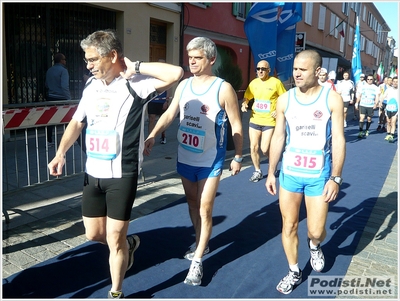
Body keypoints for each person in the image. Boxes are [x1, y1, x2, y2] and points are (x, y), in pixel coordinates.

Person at [47, 30, 183, 299]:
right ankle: (130, 243)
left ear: (112, 56)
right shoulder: (90, 85)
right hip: (93, 173)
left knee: (114, 238)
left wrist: (137, 66)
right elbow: (77, 121)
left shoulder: (136, 83)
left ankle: (116, 291)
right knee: (93, 234)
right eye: (87, 60)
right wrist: (60, 152)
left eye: (93, 59)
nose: (88, 65)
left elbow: (176, 73)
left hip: (123, 172)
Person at [144, 36, 243, 286]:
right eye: (190, 57)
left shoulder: (223, 88)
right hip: (187, 155)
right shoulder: (184, 86)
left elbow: (236, 123)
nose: (192, 62)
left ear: (211, 59)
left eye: (197, 58)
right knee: (191, 202)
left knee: (205, 207)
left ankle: (197, 262)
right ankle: (203, 241)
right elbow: (169, 113)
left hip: (212, 159)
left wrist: (239, 156)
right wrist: (153, 134)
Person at [265, 49, 346, 295]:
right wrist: (271, 172)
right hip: (290, 173)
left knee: (315, 230)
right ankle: (293, 270)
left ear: (316, 71)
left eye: (303, 69)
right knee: (288, 225)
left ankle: (314, 245)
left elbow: (339, 141)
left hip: (318, 176)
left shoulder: (331, 99)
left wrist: (335, 177)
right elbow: (279, 136)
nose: (297, 73)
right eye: (295, 69)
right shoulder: (285, 99)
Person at [241, 60, 286, 182]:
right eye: (258, 68)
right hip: (255, 119)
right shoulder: (253, 83)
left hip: (269, 121)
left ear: (269, 70)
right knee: (253, 147)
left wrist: (278, 110)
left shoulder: (276, 83)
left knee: (264, 148)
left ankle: (273, 163)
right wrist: (244, 104)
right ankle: (257, 171)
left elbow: (284, 98)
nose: (260, 71)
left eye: (263, 69)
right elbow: (247, 97)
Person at [45, 53, 71, 147]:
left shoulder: (49, 70)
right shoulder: (63, 71)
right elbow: (64, 86)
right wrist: (69, 98)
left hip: (50, 97)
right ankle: (67, 140)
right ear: (61, 60)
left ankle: (49, 141)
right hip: (61, 98)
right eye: (64, 59)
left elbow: (47, 84)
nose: (65, 61)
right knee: (67, 119)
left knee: (50, 120)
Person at [147, 59, 170, 144]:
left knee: (162, 120)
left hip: (162, 101)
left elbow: (169, 89)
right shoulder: (152, 75)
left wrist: (166, 101)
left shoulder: (167, 76)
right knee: (151, 119)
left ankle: (163, 136)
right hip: (152, 100)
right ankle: (150, 137)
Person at [381, 76, 398, 142]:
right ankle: (388, 134)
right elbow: (383, 96)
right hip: (388, 108)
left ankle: (392, 135)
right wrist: (380, 102)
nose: (395, 83)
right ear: (392, 82)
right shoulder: (389, 90)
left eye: (397, 82)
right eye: (394, 81)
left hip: (396, 109)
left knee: (393, 122)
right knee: (388, 122)